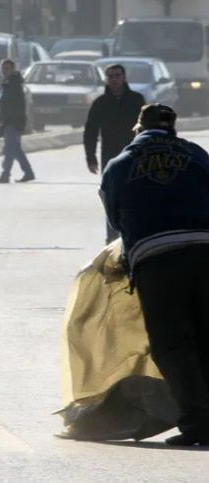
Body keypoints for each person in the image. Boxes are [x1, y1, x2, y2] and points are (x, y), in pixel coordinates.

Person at [100, 104, 209, 446]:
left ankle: (200, 423)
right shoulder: (198, 156)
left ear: (138, 129)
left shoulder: (119, 165)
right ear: (173, 130)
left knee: (173, 344)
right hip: (206, 251)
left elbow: (115, 218)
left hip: (157, 259)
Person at [84, 63, 145, 243]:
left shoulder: (136, 100)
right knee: (111, 198)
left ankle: (134, 236)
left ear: (123, 78)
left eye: (117, 76)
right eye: (110, 76)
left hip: (135, 158)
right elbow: (91, 131)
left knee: (134, 198)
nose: (114, 80)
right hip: (110, 159)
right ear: (106, 79)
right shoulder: (100, 103)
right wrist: (90, 157)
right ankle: (112, 240)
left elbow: (146, 127)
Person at [0, 59, 35, 184]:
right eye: (3, 69)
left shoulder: (14, 85)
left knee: (10, 149)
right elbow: (4, 106)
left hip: (14, 121)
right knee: (15, 149)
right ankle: (28, 172)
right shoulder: (8, 84)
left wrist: (5, 120)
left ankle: (5, 175)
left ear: (13, 69)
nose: (5, 71)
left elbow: (15, 106)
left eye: (7, 69)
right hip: (10, 121)